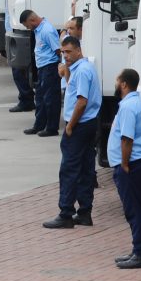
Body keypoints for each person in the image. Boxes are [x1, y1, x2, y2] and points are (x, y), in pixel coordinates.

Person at [45, 35, 101, 229]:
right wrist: (67, 66)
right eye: (63, 53)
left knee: (69, 169)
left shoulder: (83, 71)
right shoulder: (78, 68)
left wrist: (70, 126)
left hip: (80, 125)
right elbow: (70, 83)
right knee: (85, 168)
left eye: (69, 52)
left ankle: (66, 213)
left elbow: (82, 101)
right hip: (87, 124)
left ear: (79, 50)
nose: (65, 56)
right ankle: (84, 212)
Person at [109, 68, 141, 269]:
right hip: (140, 162)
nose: (115, 83)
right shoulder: (139, 103)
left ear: (124, 84)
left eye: (117, 80)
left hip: (132, 164)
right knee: (136, 209)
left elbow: (127, 138)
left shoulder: (128, 107)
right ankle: (138, 250)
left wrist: (125, 164)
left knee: (134, 210)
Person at [20, 9, 66, 137]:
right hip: (42, 68)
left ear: (32, 20)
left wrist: (61, 67)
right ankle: (39, 125)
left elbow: (58, 50)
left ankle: (52, 128)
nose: (27, 28)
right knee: (40, 97)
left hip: (50, 68)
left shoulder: (47, 30)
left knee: (50, 98)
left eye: (26, 25)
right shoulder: (38, 30)